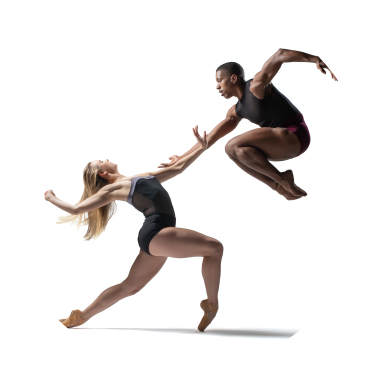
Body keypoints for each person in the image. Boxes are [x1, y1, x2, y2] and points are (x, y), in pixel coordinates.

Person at [45, 126, 222, 332]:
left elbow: (177, 168)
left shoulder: (139, 177)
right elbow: (76, 209)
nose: (105, 158)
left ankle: (80, 317)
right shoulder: (112, 189)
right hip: (157, 231)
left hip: (157, 234)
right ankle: (212, 304)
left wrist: (201, 147)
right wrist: (52, 198)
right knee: (215, 248)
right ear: (103, 172)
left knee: (130, 287)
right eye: (100, 161)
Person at [159, 49, 338, 200]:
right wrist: (181, 158)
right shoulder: (236, 111)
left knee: (232, 144)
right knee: (233, 151)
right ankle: (280, 187)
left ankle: (283, 179)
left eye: (219, 81)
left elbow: (280, 54)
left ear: (233, 78)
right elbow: (210, 139)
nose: (217, 87)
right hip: (284, 146)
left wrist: (314, 58)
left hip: (295, 134)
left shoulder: (256, 86)